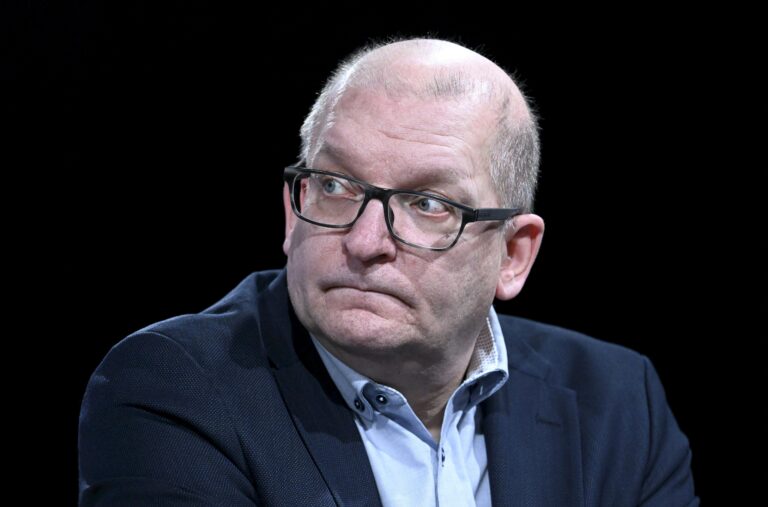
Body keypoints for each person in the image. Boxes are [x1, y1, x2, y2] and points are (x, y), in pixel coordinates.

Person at [78, 38, 697, 506]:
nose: (365, 241)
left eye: (428, 204)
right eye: (335, 186)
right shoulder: (175, 388)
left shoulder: (619, 403)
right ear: (292, 213)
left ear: (513, 254)